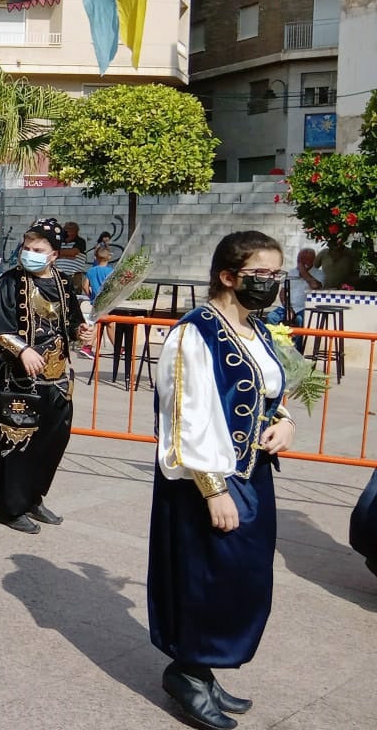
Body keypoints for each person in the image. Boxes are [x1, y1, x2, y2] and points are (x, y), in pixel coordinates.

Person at [149, 231, 293, 730]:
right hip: (206, 481)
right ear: (228, 277)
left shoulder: (258, 328)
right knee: (205, 573)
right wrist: (214, 490)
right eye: (260, 275)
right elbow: (187, 417)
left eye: (276, 275)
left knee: (243, 578)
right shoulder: (195, 333)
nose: (270, 284)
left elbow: (273, 389)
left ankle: (205, 669)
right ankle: (187, 670)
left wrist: (286, 421)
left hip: (255, 476)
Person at [0, 218, 92, 534]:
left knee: (50, 444)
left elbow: (72, 328)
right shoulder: (11, 282)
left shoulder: (63, 283)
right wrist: (22, 349)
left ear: (53, 254)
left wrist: (83, 333)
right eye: (27, 248)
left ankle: (33, 499)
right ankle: (10, 507)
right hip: (19, 382)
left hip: (57, 379)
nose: (29, 253)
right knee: (17, 445)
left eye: (37, 249)